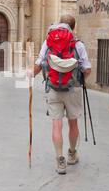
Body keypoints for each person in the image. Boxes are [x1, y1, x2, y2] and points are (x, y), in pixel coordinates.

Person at [29, 15, 92, 175]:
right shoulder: (78, 45)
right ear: (73, 27)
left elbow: (38, 65)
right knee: (73, 124)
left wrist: (31, 74)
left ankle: (60, 160)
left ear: (59, 24)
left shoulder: (48, 41)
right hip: (73, 89)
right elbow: (87, 69)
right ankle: (72, 154)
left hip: (53, 89)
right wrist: (79, 78)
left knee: (56, 125)